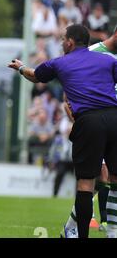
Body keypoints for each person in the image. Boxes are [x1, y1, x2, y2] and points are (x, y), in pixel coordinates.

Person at [8, 24, 117, 238]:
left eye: (63, 39)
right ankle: (113, 231)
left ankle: (79, 234)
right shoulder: (108, 60)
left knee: (86, 183)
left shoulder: (60, 63)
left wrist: (21, 68)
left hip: (89, 122)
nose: (61, 43)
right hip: (114, 118)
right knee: (115, 179)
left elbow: (35, 75)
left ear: (70, 42)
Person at [60, 25, 117, 236]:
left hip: (112, 124)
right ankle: (82, 228)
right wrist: (79, 122)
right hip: (94, 125)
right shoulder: (91, 53)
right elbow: (68, 97)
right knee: (101, 177)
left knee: (109, 179)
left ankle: (73, 227)